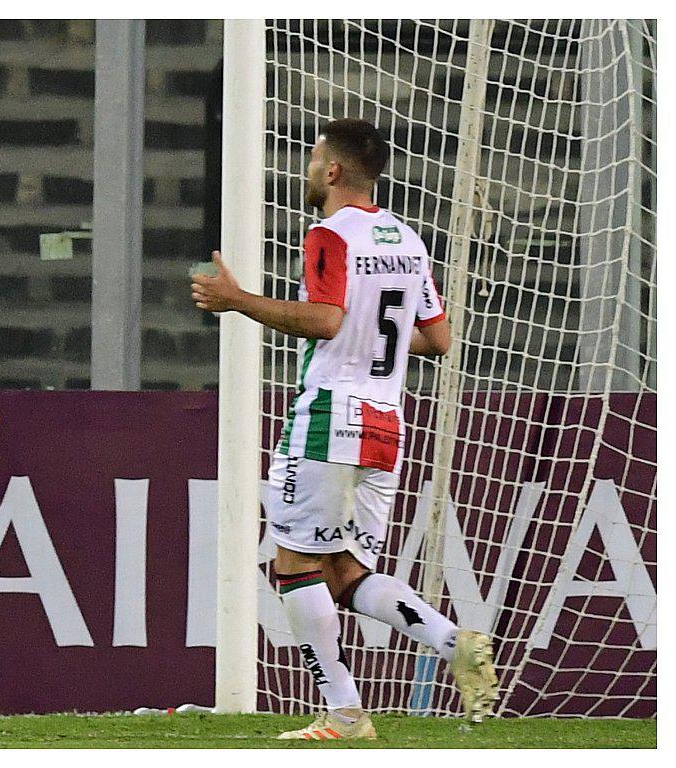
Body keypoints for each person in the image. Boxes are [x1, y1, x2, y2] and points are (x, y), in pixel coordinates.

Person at [190, 118, 500, 740]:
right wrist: (369, 336)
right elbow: (438, 339)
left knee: (294, 565)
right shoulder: (407, 241)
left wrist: (238, 300)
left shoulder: (329, 235)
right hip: (387, 422)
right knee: (345, 574)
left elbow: (328, 322)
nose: (308, 170)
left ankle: (343, 711)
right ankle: (452, 640)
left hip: (331, 415)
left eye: (312, 159)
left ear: (332, 170)